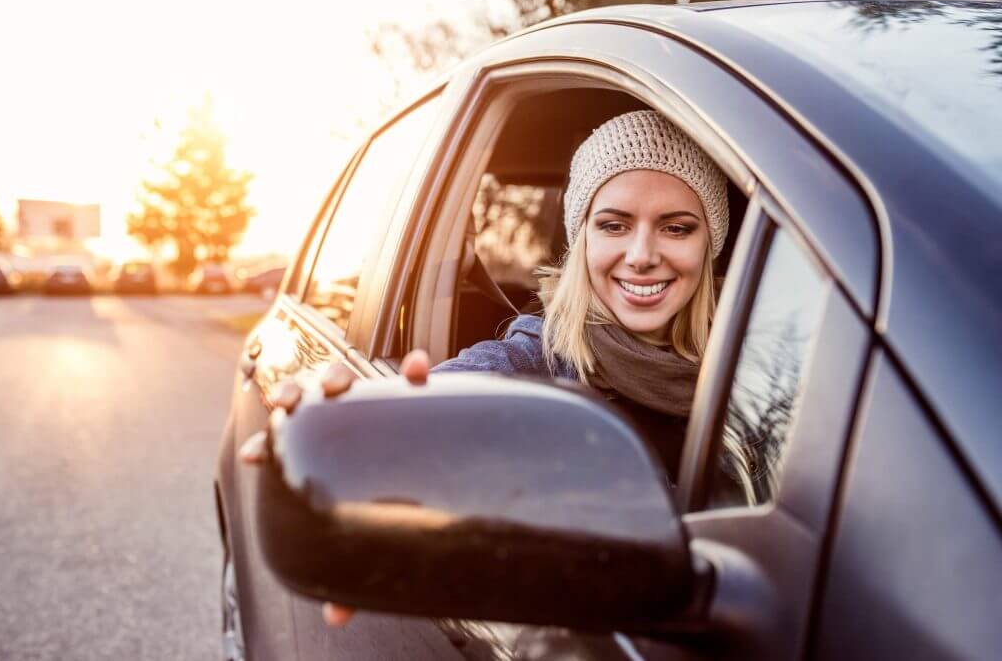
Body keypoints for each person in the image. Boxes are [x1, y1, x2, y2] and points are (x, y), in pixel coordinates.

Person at [240, 109, 729, 626]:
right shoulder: (526, 364)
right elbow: (421, 436)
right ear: (580, 237)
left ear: (710, 244)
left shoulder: (765, 367)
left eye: (676, 228)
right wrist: (344, 440)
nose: (642, 254)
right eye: (613, 225)